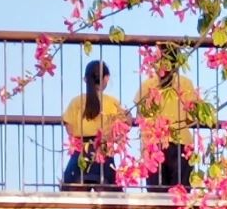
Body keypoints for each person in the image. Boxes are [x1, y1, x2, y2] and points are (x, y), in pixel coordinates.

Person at [136, 44, 205, 190]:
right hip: (180, 143)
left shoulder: (147, 85)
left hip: (153, 145)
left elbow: (140, 117)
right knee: (180, 195)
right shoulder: (185, 83)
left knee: (157, 198)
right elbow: (193, 116)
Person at [62, 60, 128, 188]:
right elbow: (125, 125)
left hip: (80, 153)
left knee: (72, 196)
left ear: (85, 79)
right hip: (104, 153)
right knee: (109, 201)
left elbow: (70, 130)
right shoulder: (112, 102)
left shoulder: (75, 102)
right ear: (106, 78)